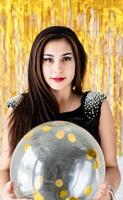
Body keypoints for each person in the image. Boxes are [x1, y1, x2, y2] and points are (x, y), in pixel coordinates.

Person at [0, 26, 121, 200]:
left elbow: (112, 168)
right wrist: (6, 194)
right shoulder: (19, 106)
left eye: (66, 58)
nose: (58, 68)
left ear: (77, 61)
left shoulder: (96, 104)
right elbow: (4, 169)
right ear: (37, 63)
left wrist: (106, 193)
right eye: (48, 60)